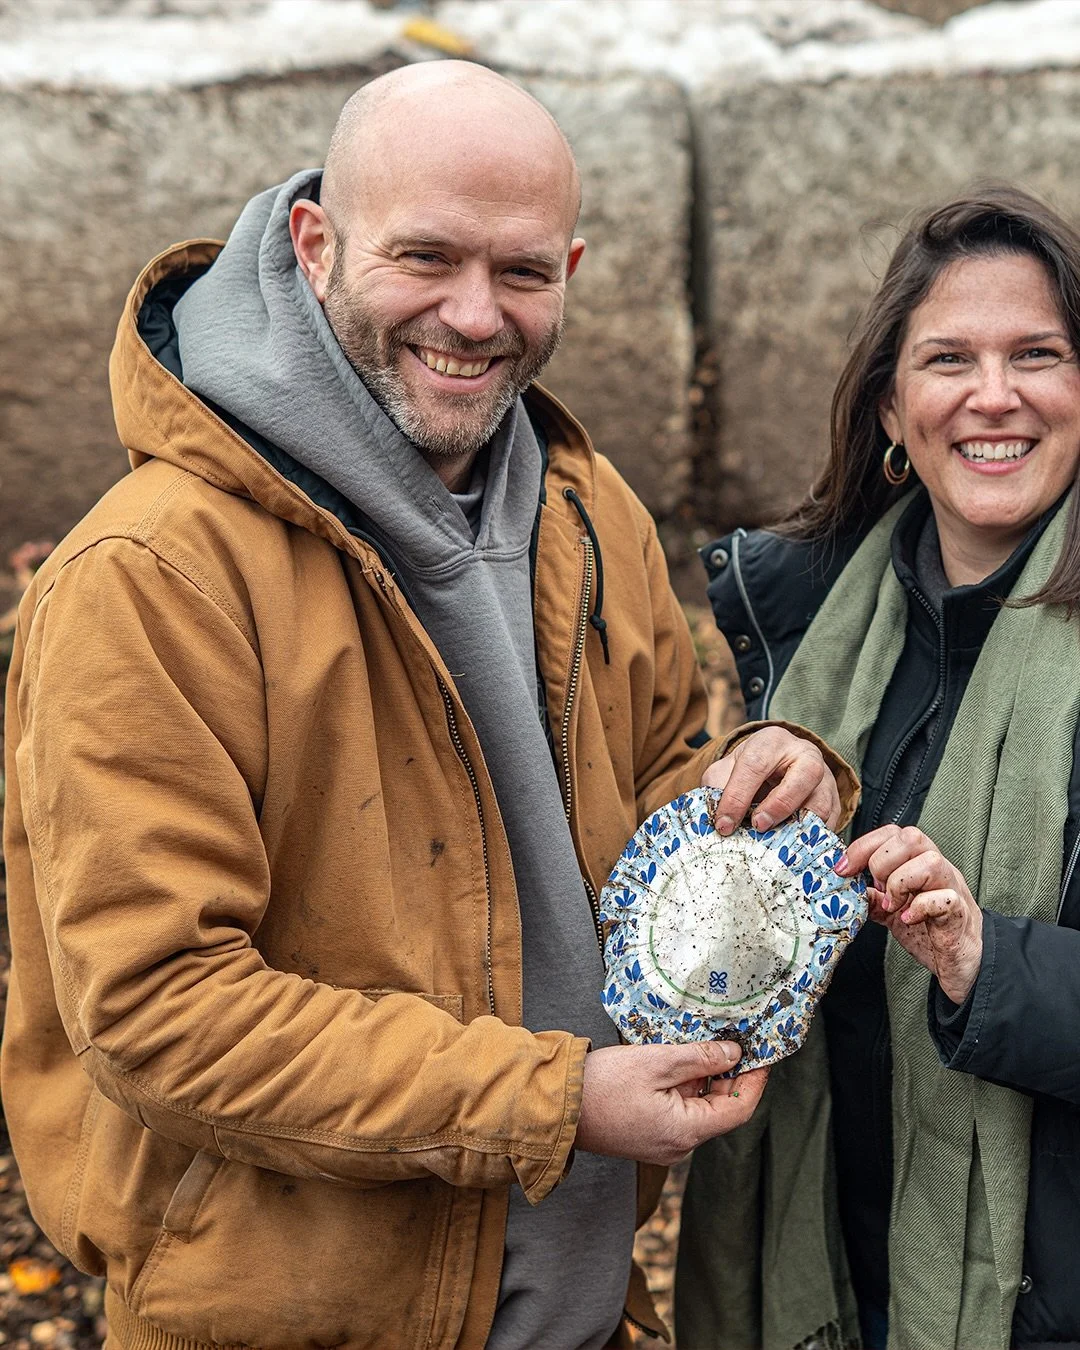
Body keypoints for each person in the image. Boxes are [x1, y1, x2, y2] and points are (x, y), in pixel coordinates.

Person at [2, 61, 851, 1350]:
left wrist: (762, 794)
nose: (475, 314)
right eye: (427, 258)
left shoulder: (589, 512)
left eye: (523, 272)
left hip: (578, 1313)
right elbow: (160, 1011)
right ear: (317, 243)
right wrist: (553, 1103)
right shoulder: (151, 575)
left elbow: (645, 803)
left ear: (572, 268)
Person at [677, 183, 1080, 1350]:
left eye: (1038, 355)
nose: (993, 395)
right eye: (949, 359)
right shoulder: (813, 645)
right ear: (893, 411)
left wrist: (984, 963)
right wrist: (729, 831)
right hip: (831, 1286)